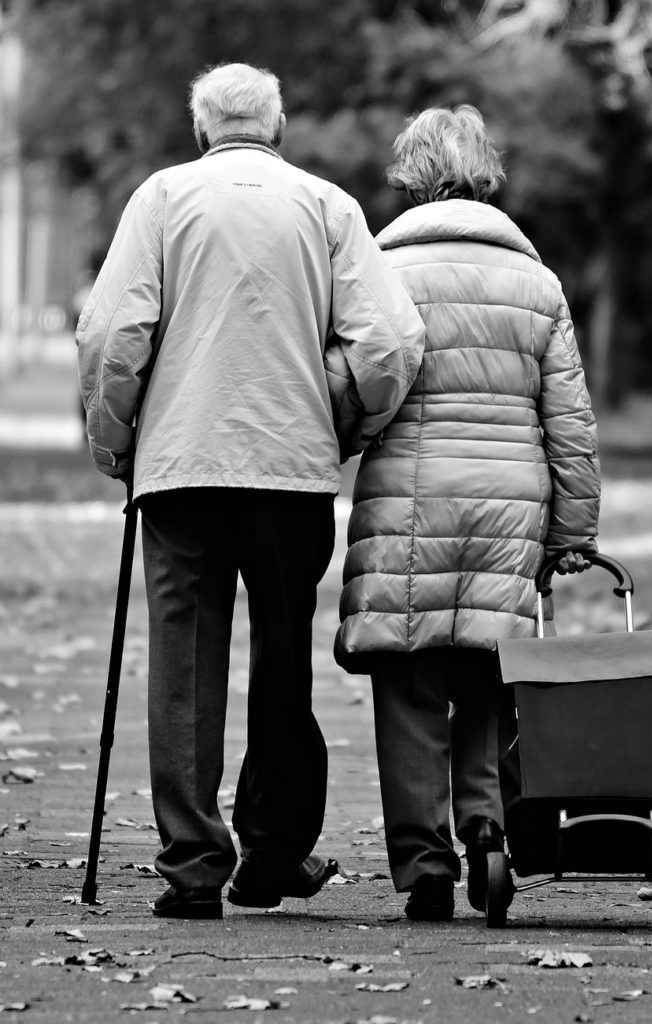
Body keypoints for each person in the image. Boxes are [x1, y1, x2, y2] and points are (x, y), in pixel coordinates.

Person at [76, 62, 425, 920]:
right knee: (281, 658)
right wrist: (341, 419)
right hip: (289, 470)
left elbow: (113, 331)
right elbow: (389, 341)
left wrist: (117, 441)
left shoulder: (162, 198)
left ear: (203, 131)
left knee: (184, 667)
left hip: (182, 471)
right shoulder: (327, 206)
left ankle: (193, 865)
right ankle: (270, 851)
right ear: (277, 128)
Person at [333, 106, 600, 922]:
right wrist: (574, 531)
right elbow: (571, 422)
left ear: (411, 173)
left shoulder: (381, 269)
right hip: (509, 499)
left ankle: (424, 865)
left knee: (409, 675)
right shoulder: (537, 281)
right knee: (488, 670)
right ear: (485, 172)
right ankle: (487, 833)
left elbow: (355, 388)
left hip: (409, 496)